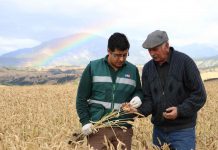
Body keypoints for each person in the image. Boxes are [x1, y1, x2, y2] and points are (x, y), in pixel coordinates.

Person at [138, 30, 207, 150]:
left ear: (166, 46)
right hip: (159, 132)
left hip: (183, 131)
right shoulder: (147, 69)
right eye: (149, 50)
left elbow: (200, 95)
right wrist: (137, 111)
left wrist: (179, 111)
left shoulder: (185, 62)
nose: (152, 53)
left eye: (155, 49)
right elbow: (148, 99)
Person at [76, 32, 143, 150]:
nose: (121, 59)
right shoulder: (93, 67)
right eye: (117, 55)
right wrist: (85, 122)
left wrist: (138, 97)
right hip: (98, 128)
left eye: (125, 55)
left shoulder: (132, 70)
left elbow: (138, 91)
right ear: (108, 51)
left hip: (123, 128)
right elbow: (81, 98)